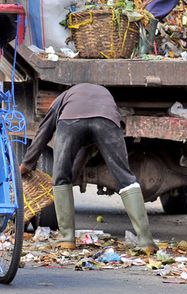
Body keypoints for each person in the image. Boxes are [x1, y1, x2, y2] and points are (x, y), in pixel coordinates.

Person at [19, 83, 156, 252]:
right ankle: (146, 241)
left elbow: (43, 133)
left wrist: (27, 163)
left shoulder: (62, 99)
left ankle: (67, 238)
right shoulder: (105, 95)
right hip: (107, 119)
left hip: (71, 120)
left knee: (61, 176)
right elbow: (89, 143)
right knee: (125, 178)